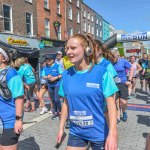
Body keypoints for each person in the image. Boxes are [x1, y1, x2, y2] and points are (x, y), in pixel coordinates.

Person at [57, 34, 118, 150]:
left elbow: (111, 104)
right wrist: (61, 128)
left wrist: (112, 134)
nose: (68, 52)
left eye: (73, 48)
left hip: (99, 133)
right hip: (76, 132)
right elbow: (65, 103)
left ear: (87, 50)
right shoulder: (66, 75)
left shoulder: (102, 73)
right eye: (67, 48)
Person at [0, 47, 24, 150]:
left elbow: (19, 97)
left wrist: (18, 120)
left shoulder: (11, 73)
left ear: (4, 58)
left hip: (9, 121)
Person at [112, 51, 134, 124]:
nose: (113, 59)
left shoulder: (123, 61)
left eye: (114, 58)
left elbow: (132, 69)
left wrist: (129, 80)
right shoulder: (110, 63)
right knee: (116, 102)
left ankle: (124, 112)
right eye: (111, 58)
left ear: (117, 56)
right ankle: (118, 117)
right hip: (114, 84)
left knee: (123, 102)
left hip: (123, 83)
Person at [42, 55, 63, 119]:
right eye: (46, 60)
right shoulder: (45, 68)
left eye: (49, 59)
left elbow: (62, 74)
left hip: (57, 84)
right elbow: (43, 76)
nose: (47, 61)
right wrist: (47, 76)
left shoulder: (57, 66)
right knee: (53, 100)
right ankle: (56, 113)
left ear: (53, 60)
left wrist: (55, 78)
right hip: (50, 85)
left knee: (57, 100)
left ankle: (61, 112)